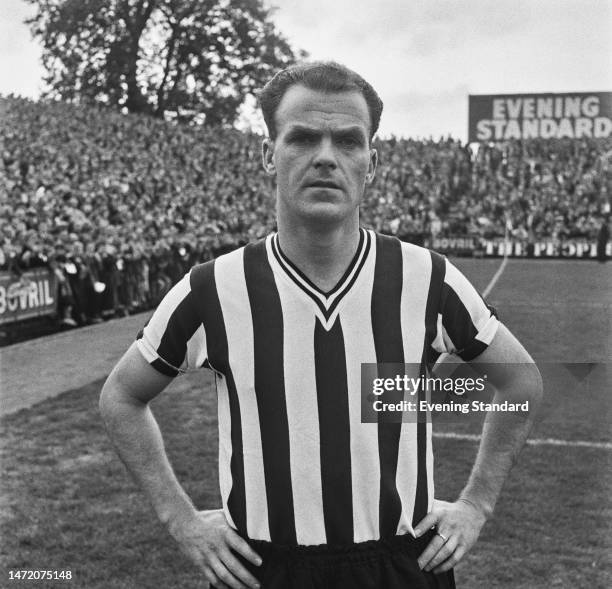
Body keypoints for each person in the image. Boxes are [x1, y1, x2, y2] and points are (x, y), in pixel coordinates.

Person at [100, 61, 543, 589]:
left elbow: (521, 381)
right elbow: (121, 398)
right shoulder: (211, 289)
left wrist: (476, 504)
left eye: (348, 142)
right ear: (269, 154)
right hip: (265, 567)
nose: (326, 157)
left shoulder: (428, 279)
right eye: (303, 138)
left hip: (401, 566)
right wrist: (182, 521)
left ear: (371, 162)